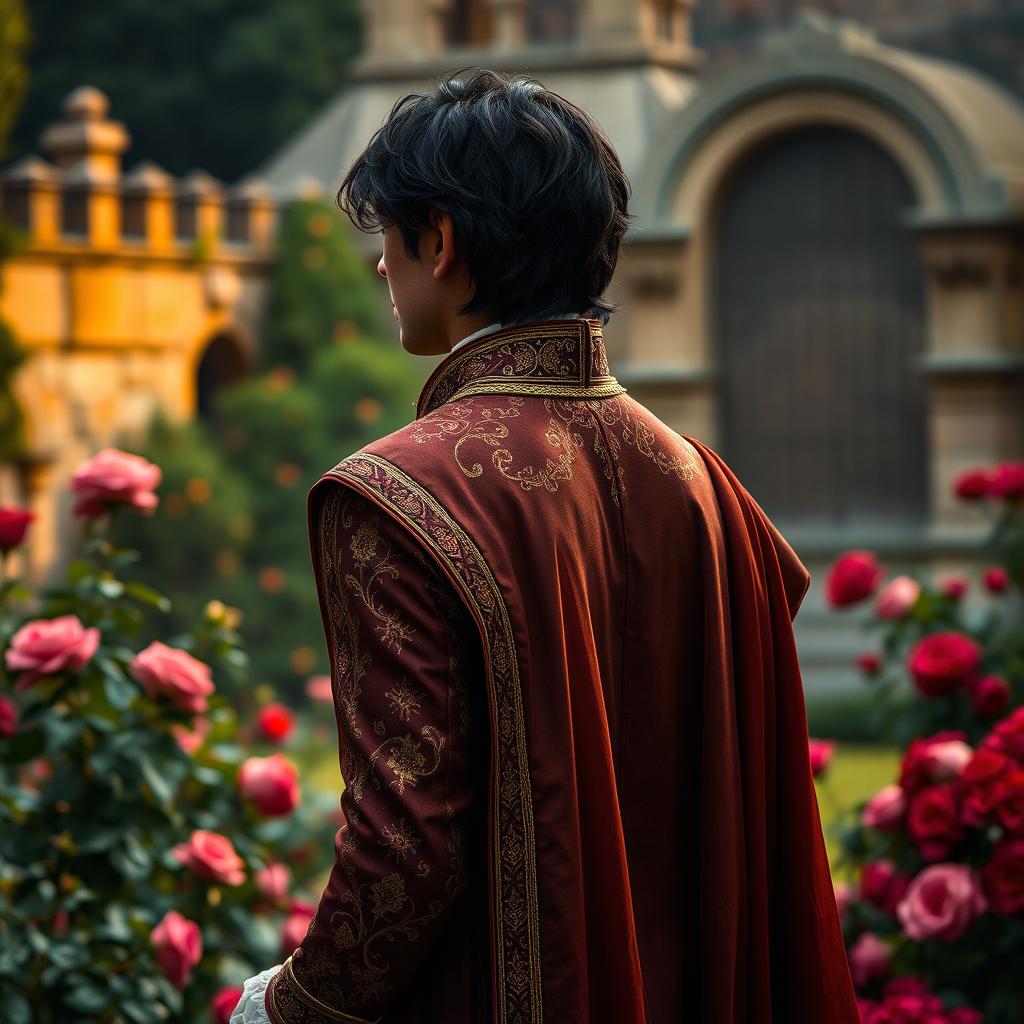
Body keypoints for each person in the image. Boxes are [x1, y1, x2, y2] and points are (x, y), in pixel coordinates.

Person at [232, 68, 860, 1024]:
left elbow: (403, 849)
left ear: (439, 242)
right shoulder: (705, 483)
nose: (380, 268)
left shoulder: (393, 494)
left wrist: (289, 1005)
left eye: (388, 240)